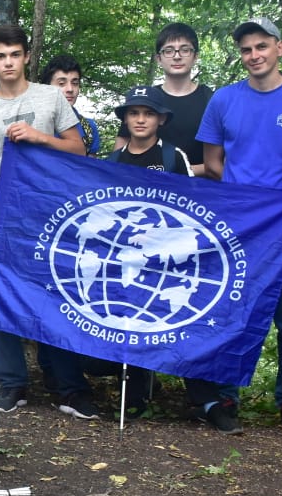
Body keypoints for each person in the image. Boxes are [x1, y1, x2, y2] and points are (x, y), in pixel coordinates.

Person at [198, 17, 282, 432]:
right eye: (247, 49)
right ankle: (226, 396)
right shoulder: (224, 100)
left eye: (261, 47)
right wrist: (242, 196)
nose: (254, 56)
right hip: (240, 228)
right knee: (235, 313)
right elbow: (213, 161)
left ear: (279, 48)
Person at [102, 86, 242, 432]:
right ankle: (135, 394)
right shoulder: (115, 160)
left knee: (184, 326)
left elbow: (192, 204)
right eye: (133, 113)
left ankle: (207, 401)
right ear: (124, 119)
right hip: (131, 258)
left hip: (170, 258)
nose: (140, 119)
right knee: (131, 322)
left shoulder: (173, 156)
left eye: (148, 113)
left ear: (160, 120)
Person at [0, 24, 86, 414]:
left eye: (15, 54)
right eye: (0, 56)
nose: (8, 62)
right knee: (2, 295)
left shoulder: (51, 98)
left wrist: (39, 136)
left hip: (47, 208)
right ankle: (12, 383)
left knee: (57, 293)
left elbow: (79, 150)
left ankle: (69, 387)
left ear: (27, 57)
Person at [142, 23, 212, 175]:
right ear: (158, 59)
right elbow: (121, 154)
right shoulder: (146, 99)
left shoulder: (212, 100)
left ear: (195, 57)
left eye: (185, 50)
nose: (177, 56)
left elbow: (226, 159)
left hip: (201, 192)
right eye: (169, 50)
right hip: (152, 190)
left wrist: (182, 170)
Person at [38, 54, 103, 158]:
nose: (70, 89)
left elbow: (89, 170)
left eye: (75, 83)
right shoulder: (31, 122)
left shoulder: (89, 128)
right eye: (61, 83)